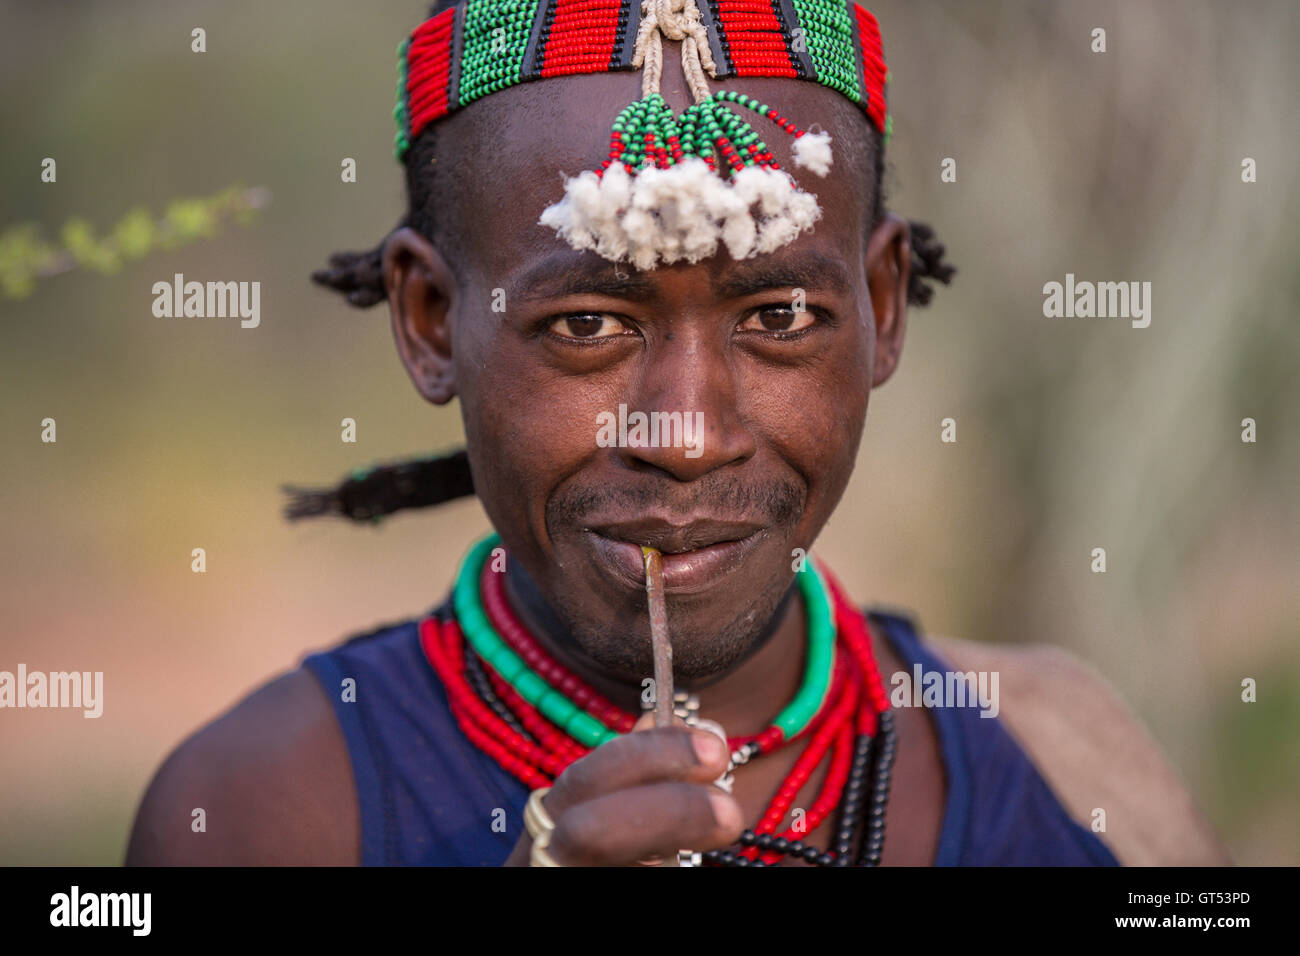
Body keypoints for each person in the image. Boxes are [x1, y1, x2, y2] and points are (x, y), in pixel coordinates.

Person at [126, 0, 1229, 866]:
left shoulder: (1063, 749)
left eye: (779, 316)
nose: (689, 435)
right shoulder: (258, 809)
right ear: (430, 322)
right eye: (586, 324)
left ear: (884, 304)